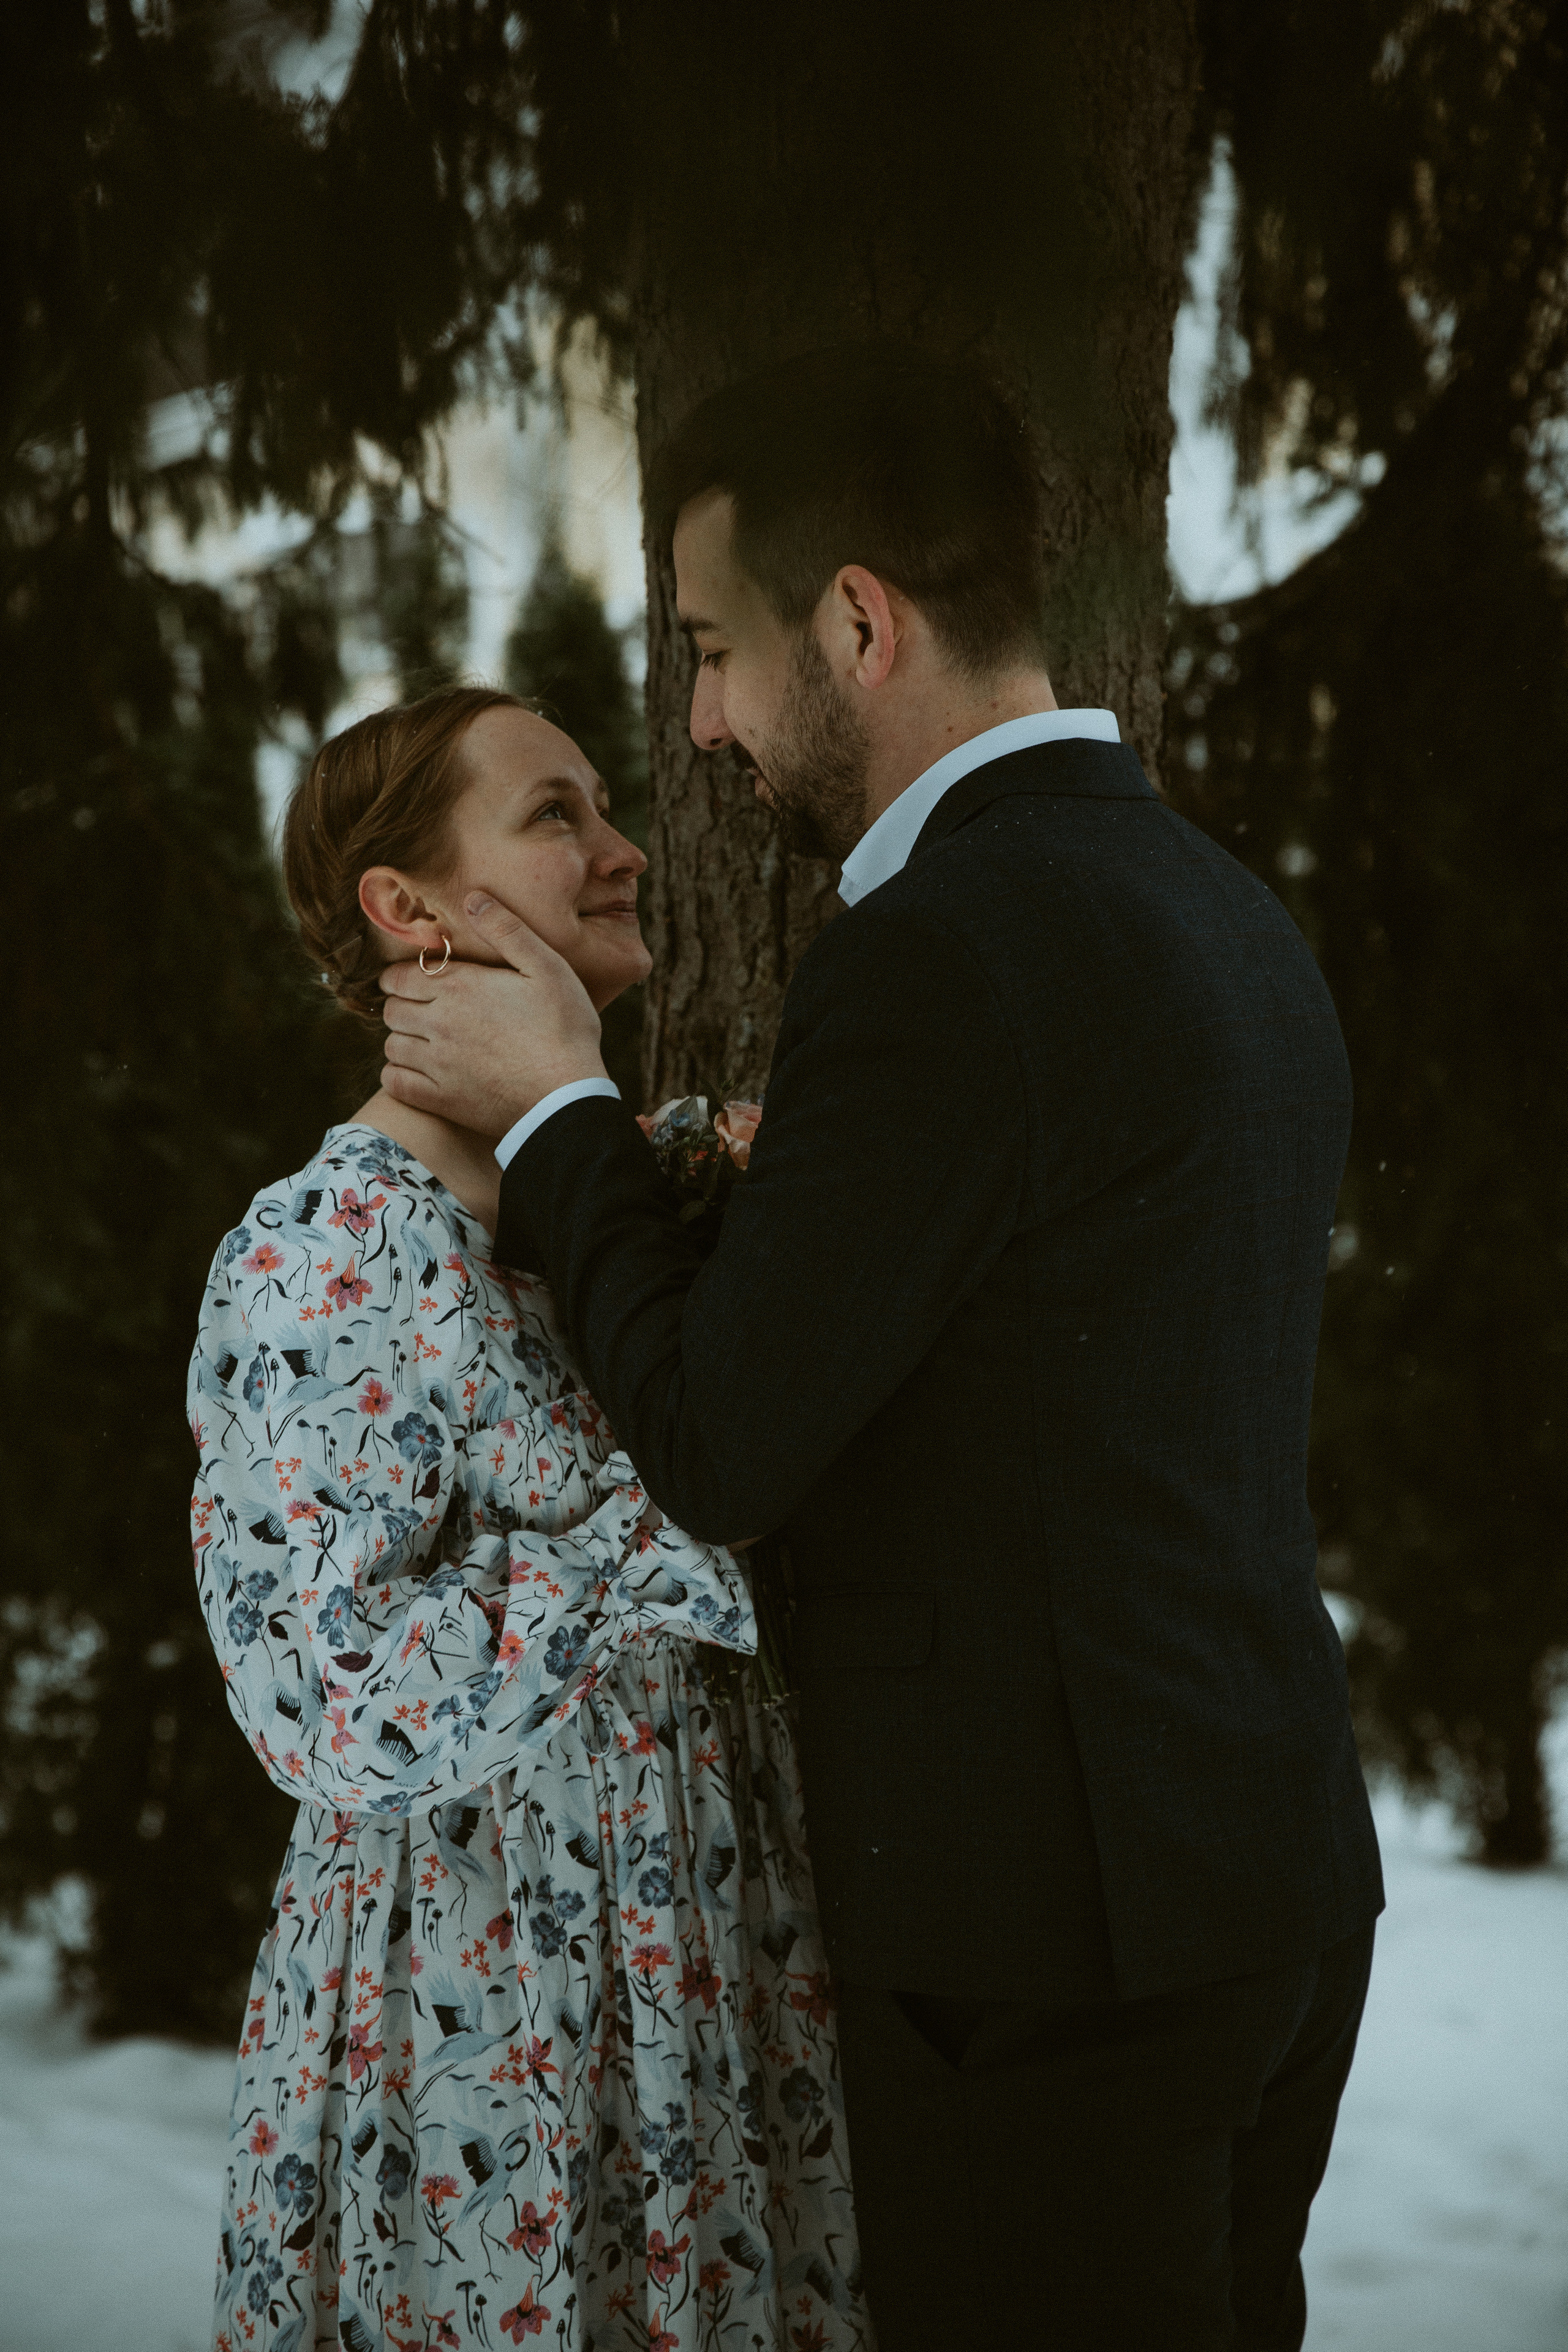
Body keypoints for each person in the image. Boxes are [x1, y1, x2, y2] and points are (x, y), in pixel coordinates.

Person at [375, 346, 1387, 2352]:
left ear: (857, 621)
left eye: (714, 653)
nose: (703, 722)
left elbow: (725, 1440)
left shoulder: (938, 950)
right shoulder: (1225, 910)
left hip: (1053, 1951)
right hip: (1259, 1882)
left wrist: (566, 1110)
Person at [186, 686, 872, 2352]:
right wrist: (657, 1543)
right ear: (407, 911)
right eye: (555, 814)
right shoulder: (327, 1249)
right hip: (487, 2015)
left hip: (712, 1980)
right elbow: (324, 1693)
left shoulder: (633, 1201)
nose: (626, 850)